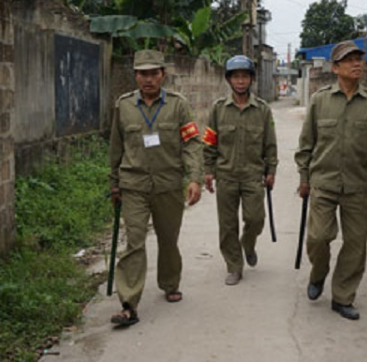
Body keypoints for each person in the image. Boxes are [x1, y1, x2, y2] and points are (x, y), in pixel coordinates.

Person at [294, 40, 367, 320]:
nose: (356, 64)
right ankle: (318, 273)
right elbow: (306, 144)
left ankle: (342, 296)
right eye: (349, 60)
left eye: (358, 59)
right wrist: (304, 177)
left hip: (358, 186)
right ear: (335, 68)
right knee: (317, 238)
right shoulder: (320, 101)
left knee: (355, 244)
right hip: (323, 184)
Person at [108, 49, 203, 327]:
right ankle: (128, 303)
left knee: (168, 239)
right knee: (134, 242)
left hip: (168, 185)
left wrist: (194, 178)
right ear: (135, 75)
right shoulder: (123, 105)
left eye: (153, 73)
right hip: (134, 185)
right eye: (142, 73)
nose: (148, 79)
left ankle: (170, 282)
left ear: (162, 74)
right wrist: (114, 183)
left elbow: (192, 143)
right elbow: (116, 147)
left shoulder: (178, 105)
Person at [202, 55, 278, 286]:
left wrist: (271, 170)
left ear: (251, 79)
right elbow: (210, 142)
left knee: (256, 219)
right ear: (229, 80)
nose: (241, 81)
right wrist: (208, 170)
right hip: (226, 175)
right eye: (236, 77)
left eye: (245, 76)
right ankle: (234, 266)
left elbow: (270, 143)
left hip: (253, 175)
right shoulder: (218, 109)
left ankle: (248, 244)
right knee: (227, 225)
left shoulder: (262, 110)